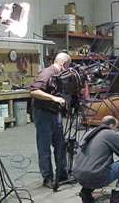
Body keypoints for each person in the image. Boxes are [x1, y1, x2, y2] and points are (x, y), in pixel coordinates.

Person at [73, 115, 119, 203]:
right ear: (112, 125)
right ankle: (117, 195)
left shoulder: (90, 132)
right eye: (115, 128)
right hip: (97, 177)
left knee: (93, 165)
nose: (115, 130)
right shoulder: (109, 133)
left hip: (79, 177)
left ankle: (86, 192)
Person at [29, 52, 71, 189]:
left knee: (60, 144)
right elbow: (34, 91)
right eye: (68, 66)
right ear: (63, 64)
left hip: (55, 112)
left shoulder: (59, 75)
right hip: (43, 113)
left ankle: (62, 174)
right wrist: (54, 98)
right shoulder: (47, 73)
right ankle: (47, 178)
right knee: (44, 145)